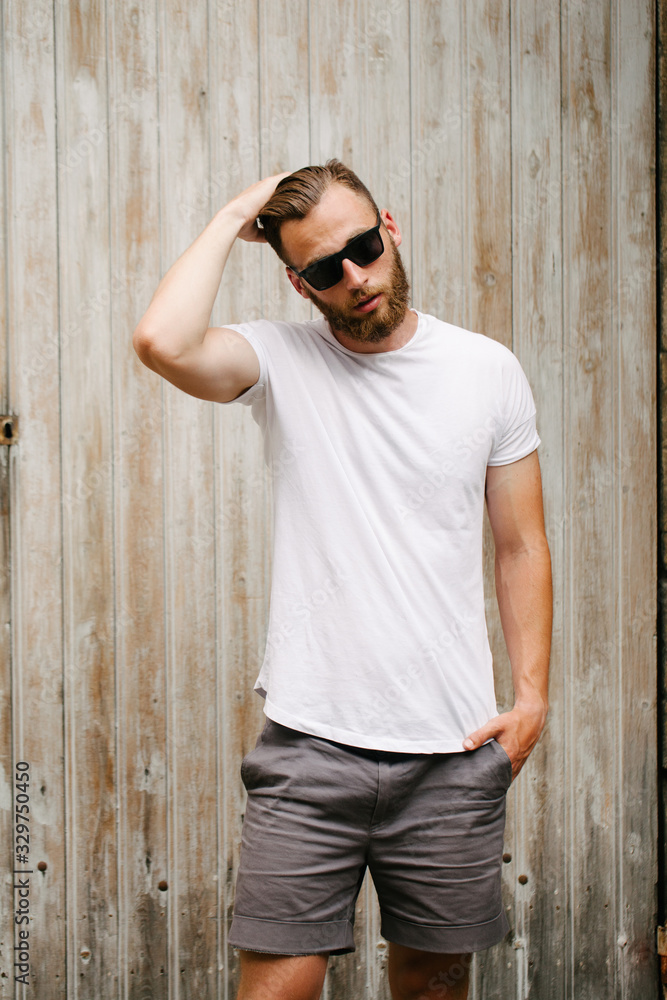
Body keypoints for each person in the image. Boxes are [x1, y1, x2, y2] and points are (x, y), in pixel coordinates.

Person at [133, 160, 552, 1000]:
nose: (356, 277)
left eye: (364, 247)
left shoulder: (485, 369)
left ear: (388, 227)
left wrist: (531, 697)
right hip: (310, 748)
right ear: (297, 281)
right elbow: (162, 343)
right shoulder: (279, 359)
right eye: (326, 268)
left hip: (451, 749)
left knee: (433, 989)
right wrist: (231, 216)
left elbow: (520, 544)